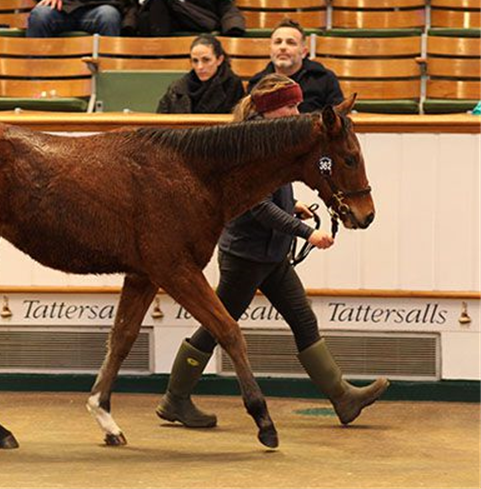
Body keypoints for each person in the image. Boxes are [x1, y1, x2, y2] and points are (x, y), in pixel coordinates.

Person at [155, 73, 389, 429]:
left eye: (297, 104)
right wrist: (306, 233)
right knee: (217, 327)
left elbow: (291, 182)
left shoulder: (279, 140)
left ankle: (343, 397)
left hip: (272, 254)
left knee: (302, 319)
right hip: (246, 255)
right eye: (290, 106)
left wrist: (293, 205)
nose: (297, 111)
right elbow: (257, 207)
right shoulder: (246, 143)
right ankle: (175, 398)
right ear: (268, 109)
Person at [249, 18, 343, 113]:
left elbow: (336, 118)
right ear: (270, 50)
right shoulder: (257, 83)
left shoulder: (325, 79)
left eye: (291, 42)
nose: (283, 47)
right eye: (278, 42)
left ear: (304, 52)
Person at [157, 34, 244, 114]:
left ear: (219, 60)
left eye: (206, 60)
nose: (200, 67)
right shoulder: (177, 88)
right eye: (195, 61)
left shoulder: (232, 86)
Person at [137, 0, 245, 37]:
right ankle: (158, 53)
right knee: (156, 3)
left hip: (202, 16)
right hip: (171, 15)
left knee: (161, 0)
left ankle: (160, 52)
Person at [26, 0, 132, 38]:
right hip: (62, 7)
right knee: (40, 14)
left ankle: (107, 72)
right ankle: (36, 75)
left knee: (109, 15)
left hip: (98, 5)